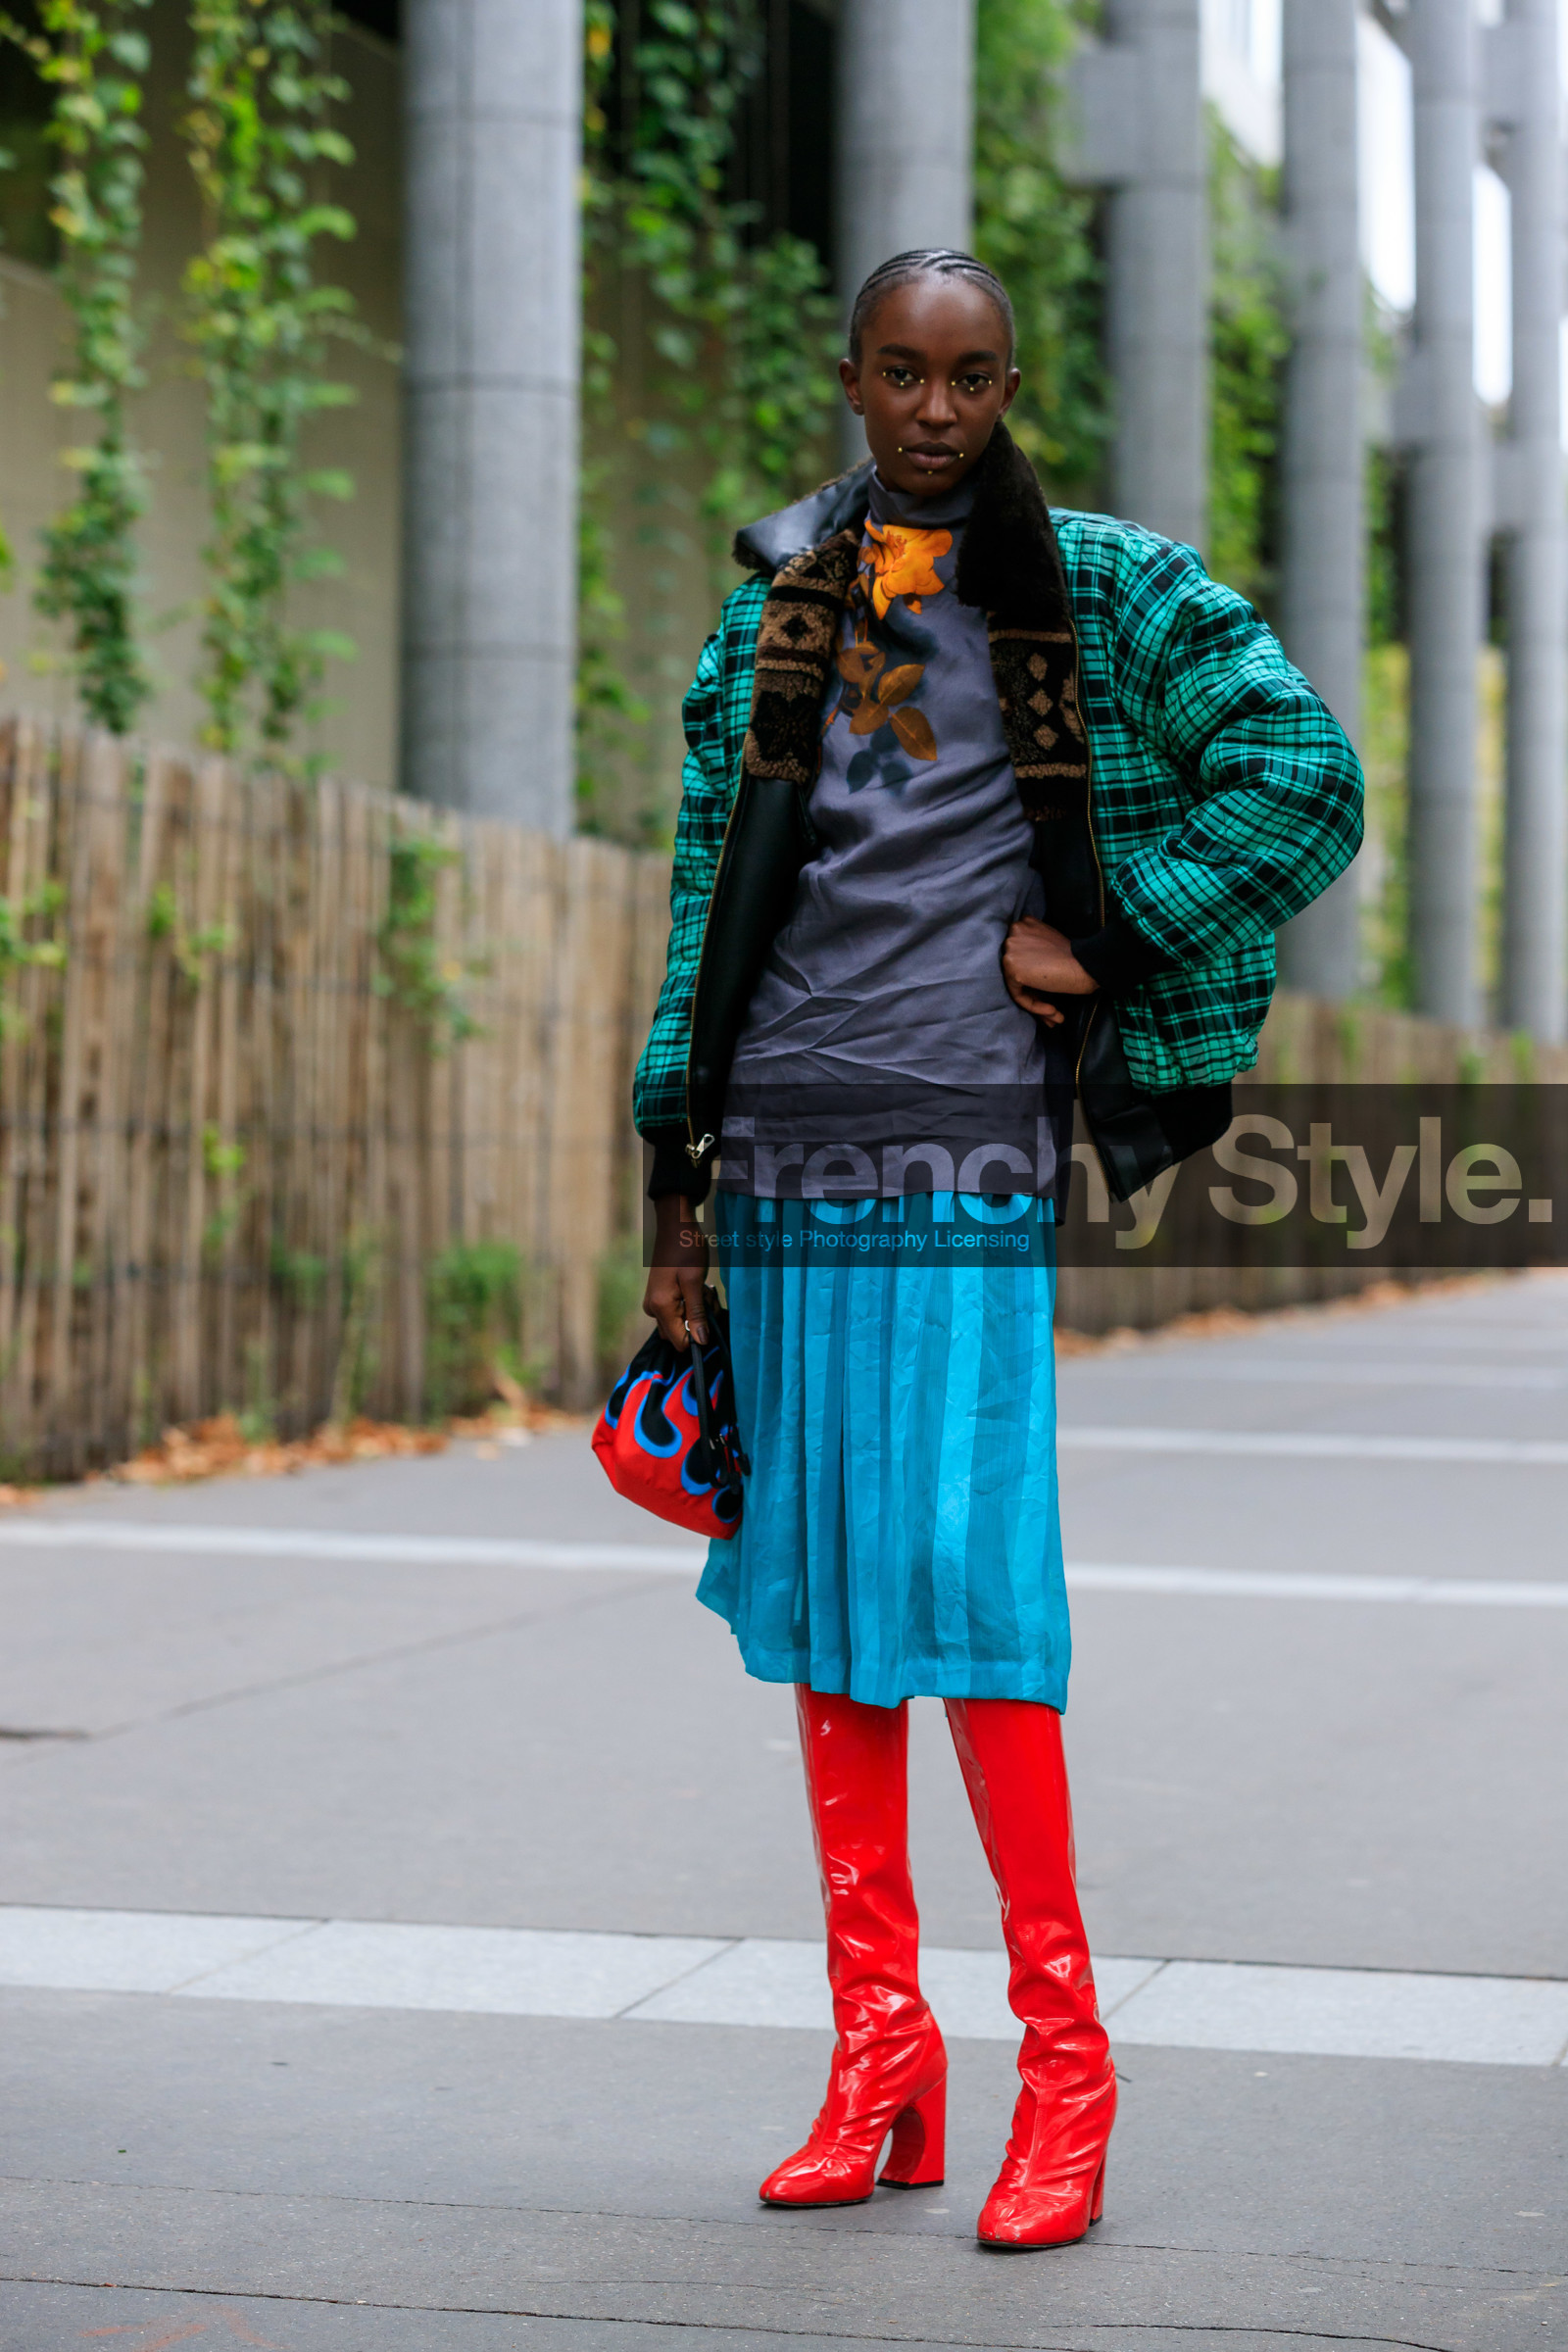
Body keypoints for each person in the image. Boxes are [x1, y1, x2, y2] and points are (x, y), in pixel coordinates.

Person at [632, 249, 1363, 2249]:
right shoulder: (780, 603)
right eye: (898, 372)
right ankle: (880, 2053)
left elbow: (1305, 780)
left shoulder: (1103, 587)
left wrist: (1105, 927)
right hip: (782, 1140)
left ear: (1007, 382)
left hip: (959, 1146)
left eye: (967, 377)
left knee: (968, 1597)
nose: (933, 409)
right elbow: (705, 892)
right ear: (853, 376)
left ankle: (1065, 2067)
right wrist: (666, 1185)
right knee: (817, 1594)